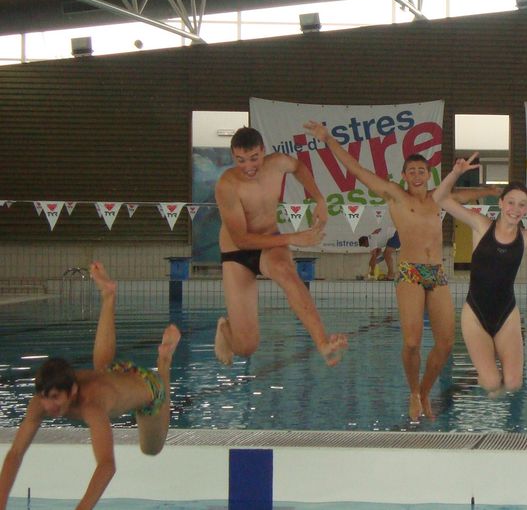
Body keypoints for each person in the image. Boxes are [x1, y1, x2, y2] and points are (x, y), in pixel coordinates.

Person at [302, 121, 498, 420]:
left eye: (422, 171)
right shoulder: (394, 194)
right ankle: (413, 392)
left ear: (429, 175)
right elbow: (356, 170)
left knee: (445, 343)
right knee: (411, 341)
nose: (417, 176)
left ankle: (425, 391)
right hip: (409, 272)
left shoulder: (437, 198)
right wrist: (328, 139)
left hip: (437, 273)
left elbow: (465, 194)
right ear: (403, 177)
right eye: (412, 172)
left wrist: (495, 191)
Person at [0, 262, 181, 510]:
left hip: (148, 388)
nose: (48, 405)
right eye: (44, 397)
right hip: (114, 375)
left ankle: (164, 361)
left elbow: (107, 466)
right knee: (101, 367)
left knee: (151, 449)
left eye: (55, 398)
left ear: (73, 391)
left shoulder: (91, 406)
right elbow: (15, 454)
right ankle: (108, 296)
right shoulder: (42, 399)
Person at [434, 153, 527, 394]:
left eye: (522, 204)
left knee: (514, 384)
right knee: (492, 383)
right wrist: (455, 173)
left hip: (507, 314)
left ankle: (491, 361)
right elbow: (439, 198)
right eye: (511, 202)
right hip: (475, 314)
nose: (516, 209)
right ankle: (486, 369)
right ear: (501, 203)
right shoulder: (480, 224)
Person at [214, 127, 346, 367]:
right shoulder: (227, 185)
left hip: (269, 241)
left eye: (254, 157)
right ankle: (224, 329)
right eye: (240, 160)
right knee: (246, 348)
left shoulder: (277, 163)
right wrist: (293, 238)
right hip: (237, 253)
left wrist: (319, 199)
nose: (249, 166)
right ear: (233, 157)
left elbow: (299, 168)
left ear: (263, 151)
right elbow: (243, 240)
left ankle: (322, 343)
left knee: (286, 273)